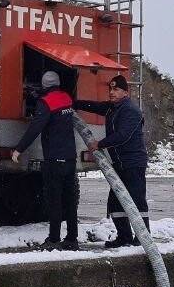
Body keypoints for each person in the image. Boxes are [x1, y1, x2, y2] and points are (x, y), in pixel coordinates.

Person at [76, 74, 148, 248]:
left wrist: (98, 144)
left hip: (133, 162)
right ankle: (124, 237)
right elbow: (95, 106)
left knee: (137, 200)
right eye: (110, 89)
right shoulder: (112, 108)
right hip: (119, 163)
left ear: (125, 92)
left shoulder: (130, 111)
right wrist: (74, 103)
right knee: (115, 202)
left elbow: (123, 136)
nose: (112, 92)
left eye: (116, 89)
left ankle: (143, 237)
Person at [12, 70, 79, 250]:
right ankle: (72, 238)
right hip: (70, 158)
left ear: (44, 85)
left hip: (54, 159)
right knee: (70, 200)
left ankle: (54, 239)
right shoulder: (67, 98)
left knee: (54, 200)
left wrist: (19, 149)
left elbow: (35, 128)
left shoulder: (45, 103)